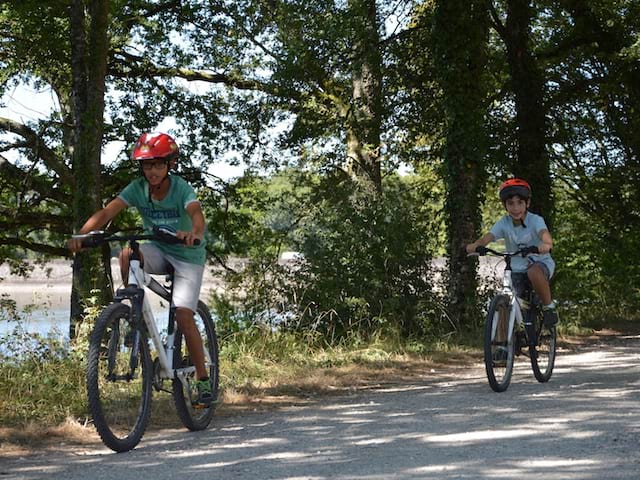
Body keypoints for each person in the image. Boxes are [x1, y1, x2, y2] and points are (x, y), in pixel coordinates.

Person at [68, 132, 213, 407]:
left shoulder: (181, 187)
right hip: (159, 249)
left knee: (183, 314)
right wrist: (82, 235)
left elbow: (196, 213)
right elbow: (108, 212)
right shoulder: (137, 188)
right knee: (127, 254)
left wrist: (194, 233)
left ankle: (204, 380)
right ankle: (134, 316)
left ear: (169, 165)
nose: (152, 171)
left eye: (158, 165)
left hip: (187, 255)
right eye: (147, 166)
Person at [466, 178, 558, 327]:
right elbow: (487, 238)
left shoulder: (535, 220)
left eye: (520, 203)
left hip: (539, 263)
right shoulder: (504, 223)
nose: (515, 208)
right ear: (505, 206)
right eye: (510, 204)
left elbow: (544, 233)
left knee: (534, 272)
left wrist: (546, 244)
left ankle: (549, 308)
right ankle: (503, 345)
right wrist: (476, 245)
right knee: (505, 300)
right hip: (516, 267)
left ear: (527, 203)